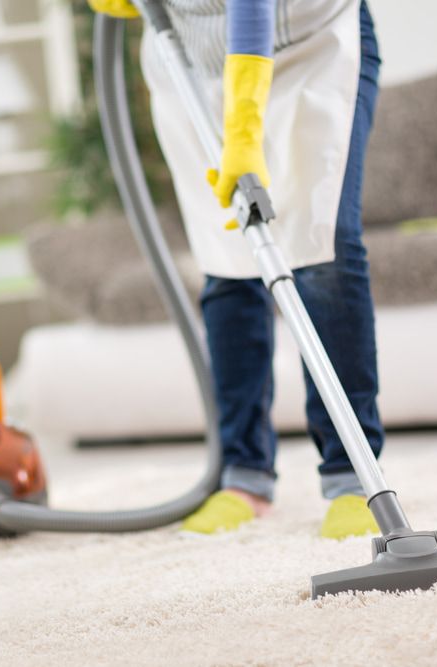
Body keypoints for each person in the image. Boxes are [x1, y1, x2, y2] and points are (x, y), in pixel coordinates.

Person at [88, 0, 384, 539]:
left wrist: (244, 136)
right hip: (191, 65)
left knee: (324, 252)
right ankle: (244, 476)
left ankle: (352, 477)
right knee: (226, 263)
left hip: (310, 46)